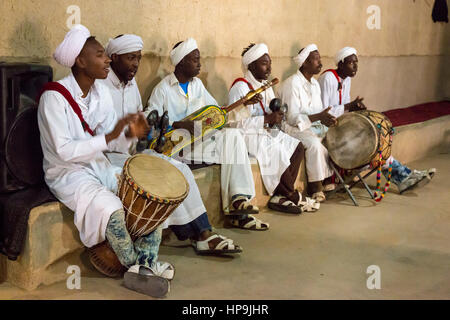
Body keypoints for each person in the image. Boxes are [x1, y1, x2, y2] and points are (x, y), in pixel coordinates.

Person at [37, 25, 175, 297]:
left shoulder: (100, 94)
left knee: (149, 195)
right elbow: (64, 151)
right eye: (100, 55)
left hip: (97, 166)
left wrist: (130, 133)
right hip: (67, 174)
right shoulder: (53, 97)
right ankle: (137, 267)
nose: (108, 60)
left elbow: (114, 141)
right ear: (80, 61)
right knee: (111, 208)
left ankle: (144, 266)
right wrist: (111, 136)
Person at [102, 34, 244, 253]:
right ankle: (201, 235)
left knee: (180, 170)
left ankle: (206, 230)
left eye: (138, 58)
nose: (136, 64)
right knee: (163, 171)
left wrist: (148, 131)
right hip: (110, 156)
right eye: (131, 58)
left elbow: (143, 119)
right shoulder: (101, 88)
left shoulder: (130, 87)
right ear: (114, 58)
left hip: (134, 151)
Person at [146, 38, 267, 230]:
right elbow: (151, 119)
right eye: (195, 59)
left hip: (199, 142)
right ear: (181, 62)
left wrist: (243, 104)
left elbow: (217, 112)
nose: (199, 63)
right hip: (178, 147)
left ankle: (239, 200)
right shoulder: (163, 89)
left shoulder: (198, 86)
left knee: (232, 136)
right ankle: (237, 215)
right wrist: (176, 124)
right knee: (230, 145)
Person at [318, 47, 436, 194]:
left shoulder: (346, 79)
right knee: (372, 146)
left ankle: (405, 176)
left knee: (377, 143)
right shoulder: (327, 78)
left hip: (340, 126)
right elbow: (323, 112)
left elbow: (343, 108)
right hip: (327, 129)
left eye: (357, 63)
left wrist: (356, 109)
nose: (355, 66)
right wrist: (349, 106)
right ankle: (404, 177)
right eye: (351, 63)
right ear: (340, 64)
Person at [228, 43, 320, 214]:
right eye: (264, 63)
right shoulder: (239, 87)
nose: (269, 67)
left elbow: (271, 112)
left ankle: (280, 196)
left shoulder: (266, 86)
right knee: (276, 150)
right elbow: (234, 124)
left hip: (264, 132)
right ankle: (291, 195)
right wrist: (266, 119)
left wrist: (277, 115)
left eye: (269, 63)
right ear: (252, 65)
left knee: (297, 147)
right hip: (245, 135)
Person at [278, 44, 335, 203]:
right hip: (291, 128)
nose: (320, 63)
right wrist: (318, 118)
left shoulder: (315, 84)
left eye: (320, 59)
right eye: (316, 59)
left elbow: (318, 110)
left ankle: (330, 179)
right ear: (304, 63)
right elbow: (291, 117)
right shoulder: (292, 83)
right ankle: (315, 186)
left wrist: (327, 119)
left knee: (336, 137)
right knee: (313, 144)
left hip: (312, 126)